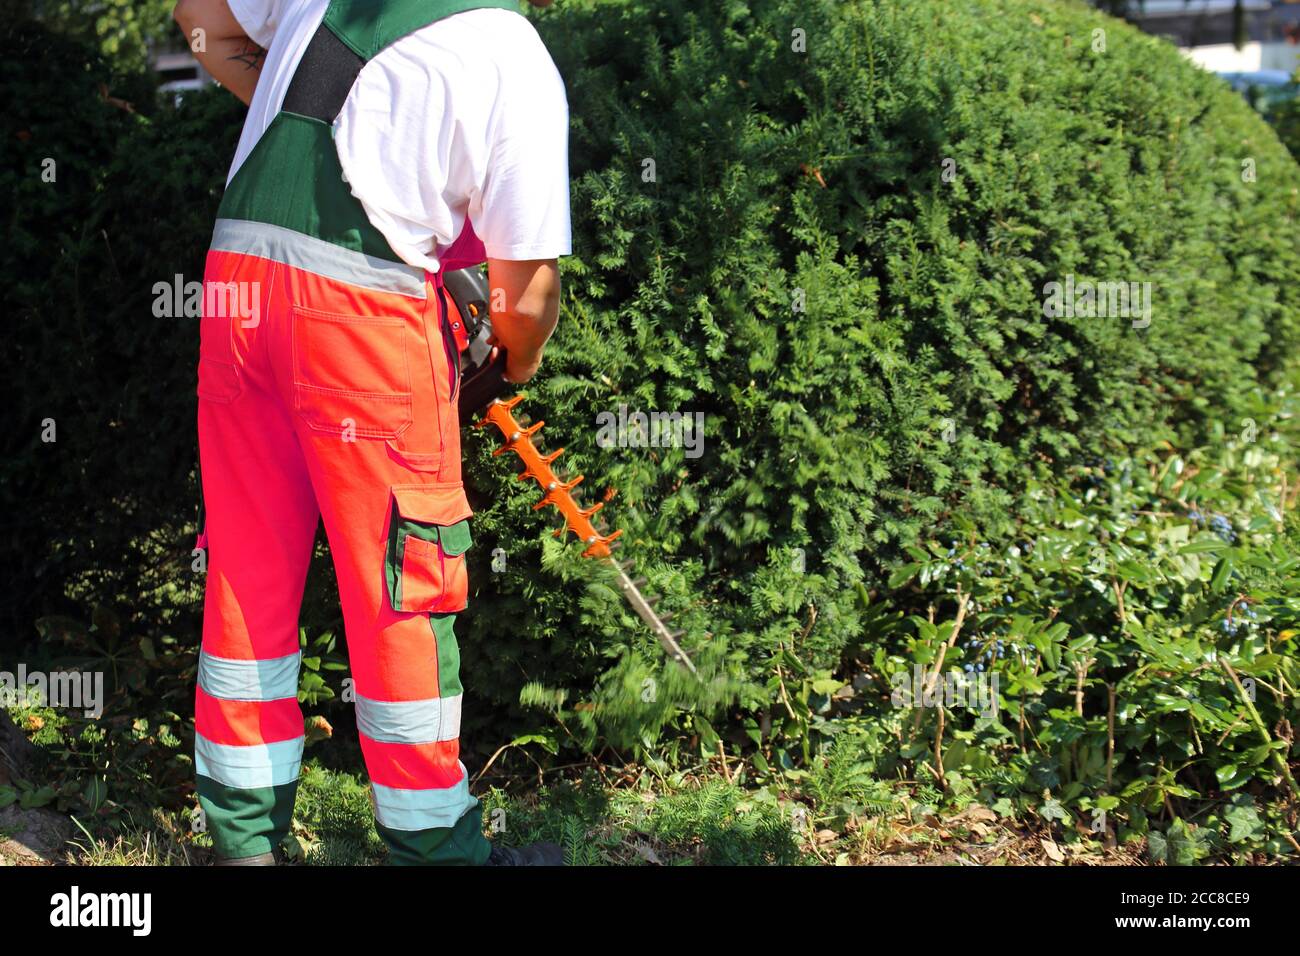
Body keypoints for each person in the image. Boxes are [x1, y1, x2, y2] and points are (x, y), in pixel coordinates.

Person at [171, 0, 570, 865]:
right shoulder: (511, 50)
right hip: (360, 311)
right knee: (404, 575)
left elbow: (199, 16)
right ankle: (433, 846)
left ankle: (242, 841)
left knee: (246, 555)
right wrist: (512, 363)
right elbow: (527, 290)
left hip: (236, 281)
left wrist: (312, 113)